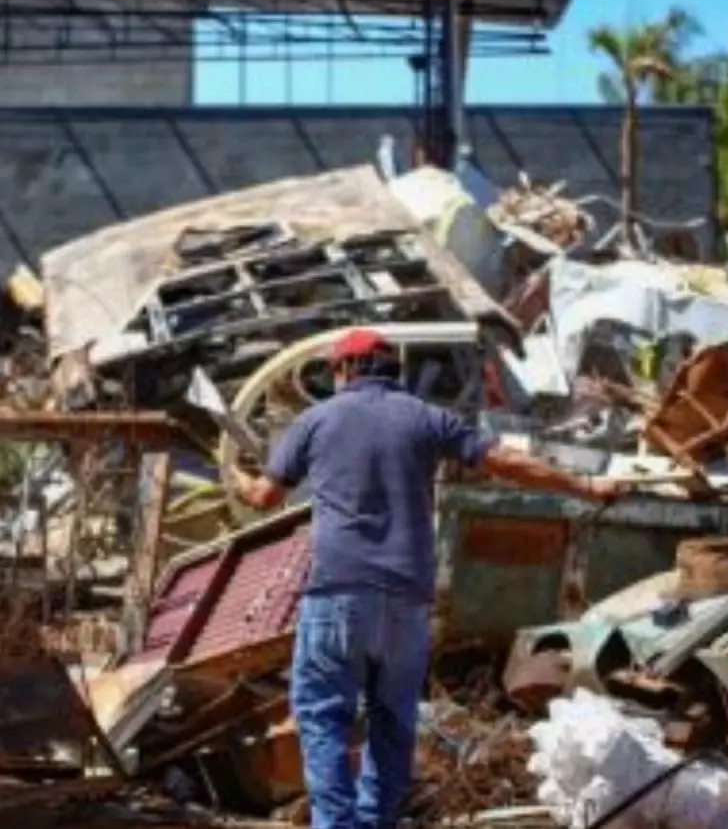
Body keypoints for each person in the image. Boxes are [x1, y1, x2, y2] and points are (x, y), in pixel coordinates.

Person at [227, 328, 622, 829]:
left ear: (345, 370)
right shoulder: (425, 417)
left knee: (324, 717)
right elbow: (505, 461)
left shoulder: (316, 420)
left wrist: (240, 478)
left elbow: (264, 497)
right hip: (407, 601)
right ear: (392, 369)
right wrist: (586, 484)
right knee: (393, 724)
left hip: (340, 594)